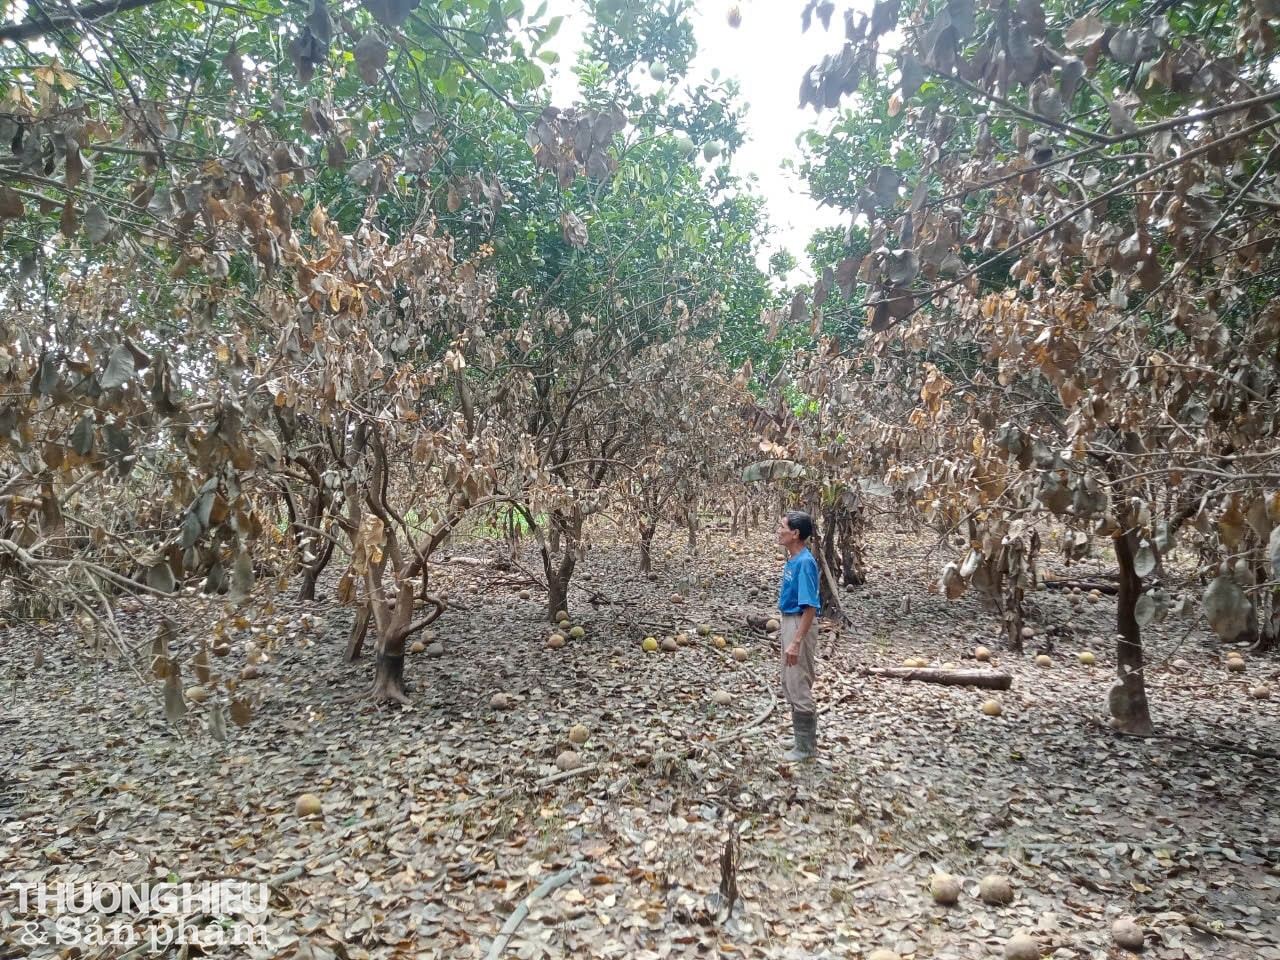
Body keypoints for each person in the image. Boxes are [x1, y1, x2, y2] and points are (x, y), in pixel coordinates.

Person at [776, 510, 821, 762]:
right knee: (788, 680)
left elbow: (810, 607)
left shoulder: (805, 563)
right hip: (789, 620)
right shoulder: (793, 559)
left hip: (799, 623)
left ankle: (806, 748)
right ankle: (799, 737)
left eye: (782, 527)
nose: (778, 531)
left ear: (795, 533)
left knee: (798, 681)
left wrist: (796, 641)